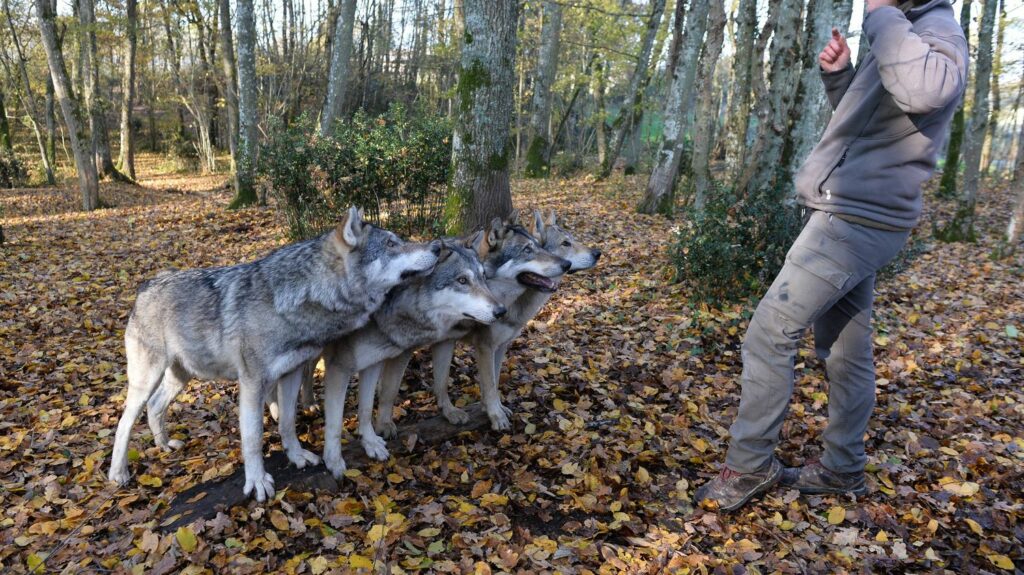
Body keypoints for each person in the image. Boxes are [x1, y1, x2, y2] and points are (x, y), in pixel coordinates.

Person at [694, 0, 969, 511]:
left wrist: (882, 13)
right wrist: (841, 78)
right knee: (845, 350)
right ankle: (842, 468)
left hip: (854, 221)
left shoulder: (938, 31)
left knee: (769, 333)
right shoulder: (910, 28)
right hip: (856, 212)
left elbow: (926, 91)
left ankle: (749, 466)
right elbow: (885, 123)